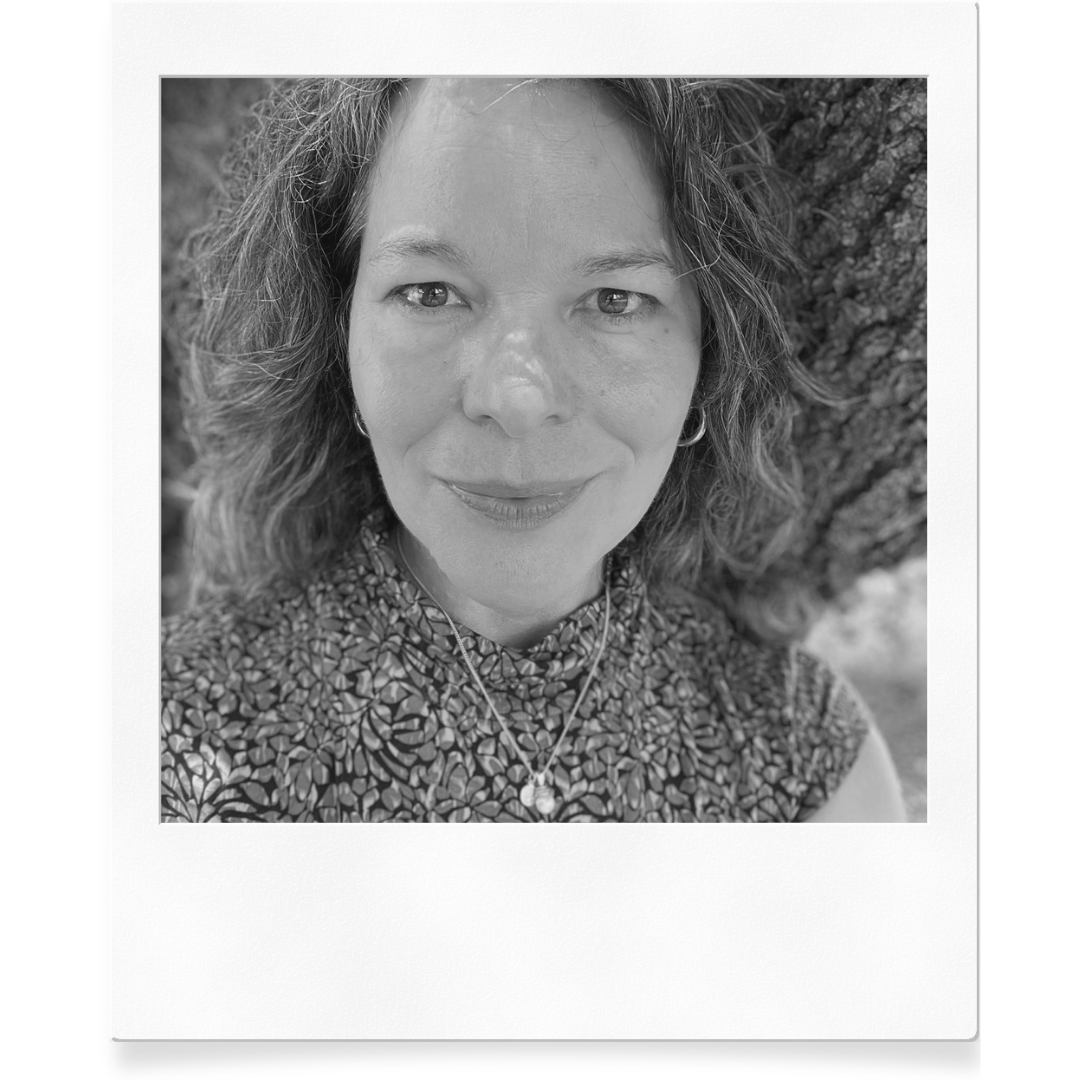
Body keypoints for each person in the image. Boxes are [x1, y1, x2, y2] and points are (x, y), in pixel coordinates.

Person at [161, 77, 906, 823]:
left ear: (710, 362)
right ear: (337, 338)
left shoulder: (812, 761)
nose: (516, 399)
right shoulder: (163, 727)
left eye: (615, 300)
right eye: (430, 292)